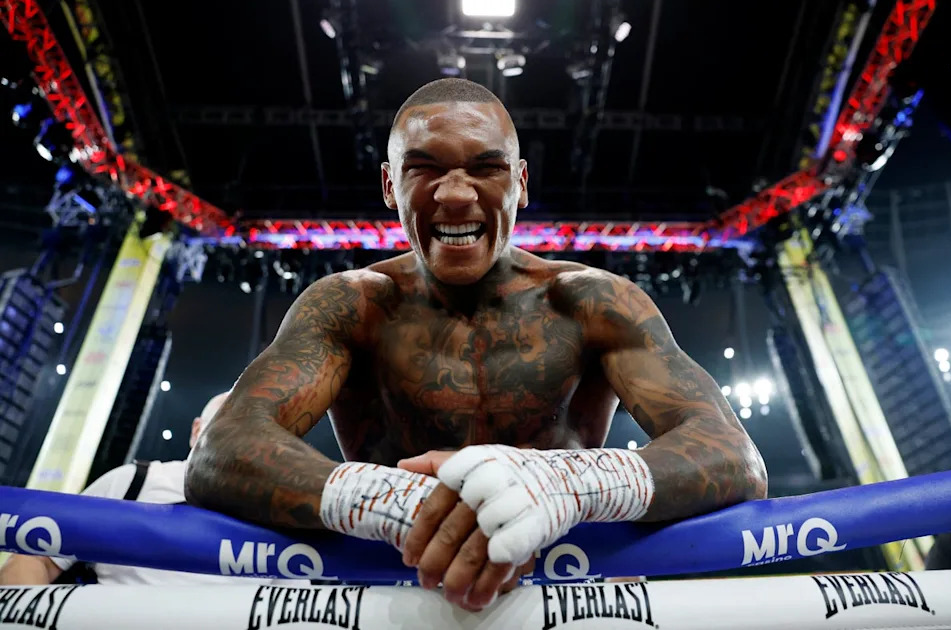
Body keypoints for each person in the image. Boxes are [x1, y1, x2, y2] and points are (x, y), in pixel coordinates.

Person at [186, 78, 768, 611]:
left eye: (486, 168)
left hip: (563, 596)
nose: (457, 195)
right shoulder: (354, 307)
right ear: (390, 186)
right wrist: (388, 501)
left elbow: (733, 457)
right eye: (424, 169)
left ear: (520, 182)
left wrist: (570, 485)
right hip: (396, 596)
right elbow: (221, 449)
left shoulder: (591, 302)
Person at [0, 392, 239, 585]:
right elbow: (37, 558)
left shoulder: (271, 515)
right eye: (224, 423)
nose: (237, 438)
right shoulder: (134, 482)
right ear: (197, 430)